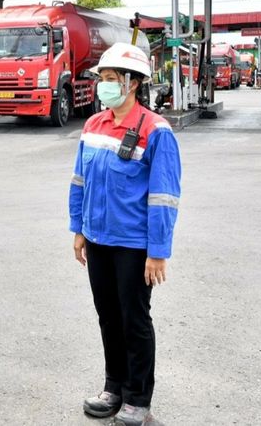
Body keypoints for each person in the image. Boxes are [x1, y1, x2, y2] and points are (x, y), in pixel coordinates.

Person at [68, 43, 182, 426]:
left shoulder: (156, 130)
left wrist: (158, 251)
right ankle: (113, 386)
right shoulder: (93, 126)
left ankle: (137, 398)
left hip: (134, 246)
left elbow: (164, 196)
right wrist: (78, 229)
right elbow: (79, 181)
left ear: (133, 84)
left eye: (111, 79)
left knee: (134, 319)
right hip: (98, 240)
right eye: (102, 79)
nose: (104, 86)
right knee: (108, 317)